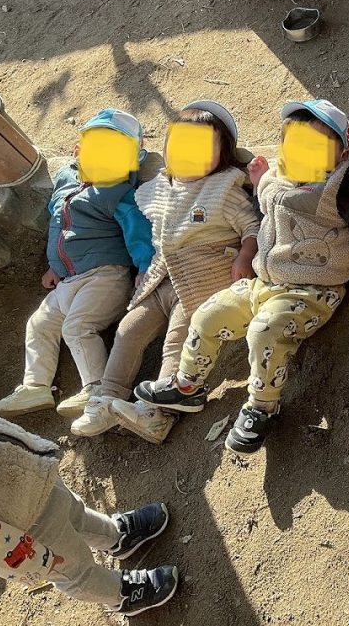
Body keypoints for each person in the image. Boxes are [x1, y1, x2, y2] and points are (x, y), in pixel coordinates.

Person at [132, 99, 349, 453]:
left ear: (343, 152)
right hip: (264, 283)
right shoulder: (277, 178)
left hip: (312, 291)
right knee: (207, 315)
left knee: (263, 331)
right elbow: (265, 213)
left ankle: (262, 407)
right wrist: (258, 184)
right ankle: (187, 386)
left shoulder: (339, 188)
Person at [76, 101, 260, 443]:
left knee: (178, 341)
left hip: (203, 279)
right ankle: (107, 397)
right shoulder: (160, 188)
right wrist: (144, 271)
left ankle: (157, 414)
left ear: (221, 156)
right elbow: (154, 235)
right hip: (161, 278)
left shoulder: (224, 189)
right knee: (128, 330)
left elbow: (252, 226)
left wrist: (246, 255)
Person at [0, 110, 153, 419]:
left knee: (77, 327)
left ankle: (97, 388)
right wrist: (55, 266)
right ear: (78, 152)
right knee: (39, 324)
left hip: (106, 277)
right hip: (67, 281)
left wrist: (145, 268)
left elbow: (138, 233)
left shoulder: (117, 193)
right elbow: (59, 225)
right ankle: (35, 385)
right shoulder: (66, 181)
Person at [0, 409, 177, 616]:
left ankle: (115, 536)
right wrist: (34, 559)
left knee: (73, 511)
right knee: (73, 568)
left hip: (25, 472)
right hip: (18, 522)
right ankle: (119, 594)